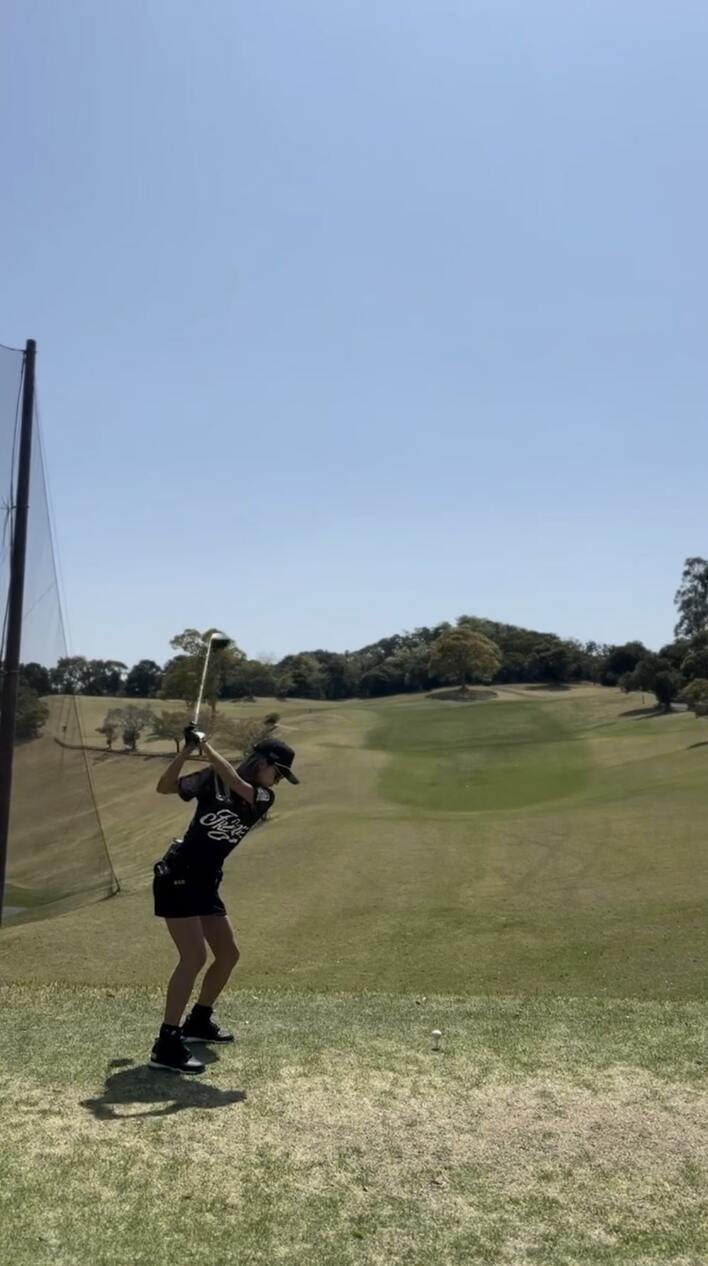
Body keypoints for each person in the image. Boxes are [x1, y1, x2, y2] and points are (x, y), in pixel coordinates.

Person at [149, 725, 299, 1073]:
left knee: (228, 954)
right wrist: (187, 750)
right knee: (194, 957)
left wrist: (206, 746)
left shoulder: (262, 796)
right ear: (262, 761)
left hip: (205, 882)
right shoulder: (210, 779)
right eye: (278, 772)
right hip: (178, 876)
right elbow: (164, 787)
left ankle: (198, 1021)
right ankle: (166, 1044)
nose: (278, 781)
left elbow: (234, 780)